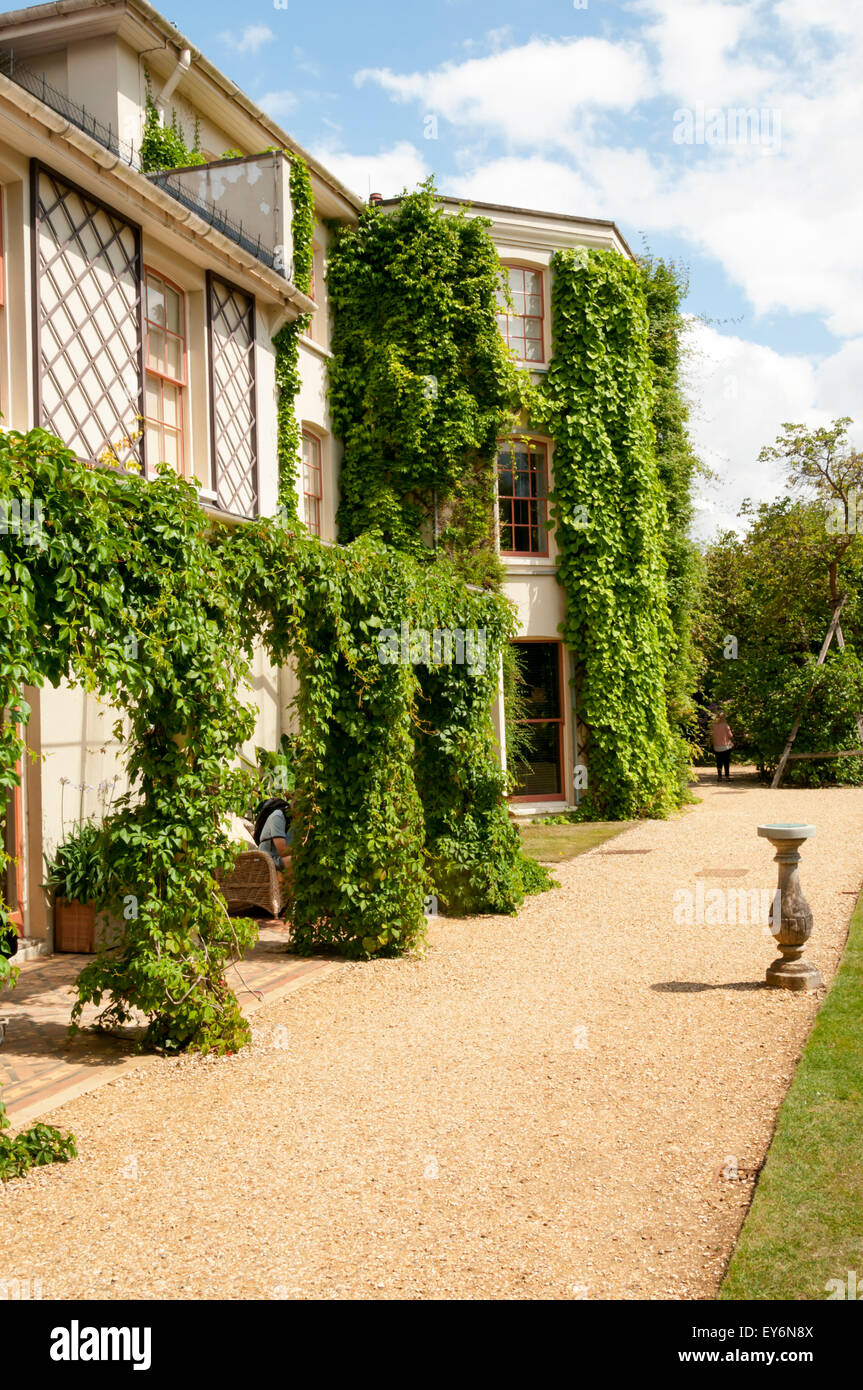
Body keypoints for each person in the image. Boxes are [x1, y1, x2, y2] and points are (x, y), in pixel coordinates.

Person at [253, 796, 295, 909]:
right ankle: (294, 904)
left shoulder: (303, 821)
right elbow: (283, 851)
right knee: (295, 861)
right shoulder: (278, 816)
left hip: (283, 857)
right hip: (270, 859)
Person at [710, 709, 734, 780]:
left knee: (719, 762)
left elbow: (712, 735)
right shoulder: (726, 725)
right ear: (724, 717)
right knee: (726, 762)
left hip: (717, 747)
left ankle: (719, 776)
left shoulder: (714, 726)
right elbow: (730, 736)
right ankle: (727, 776)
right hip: (726, 746)